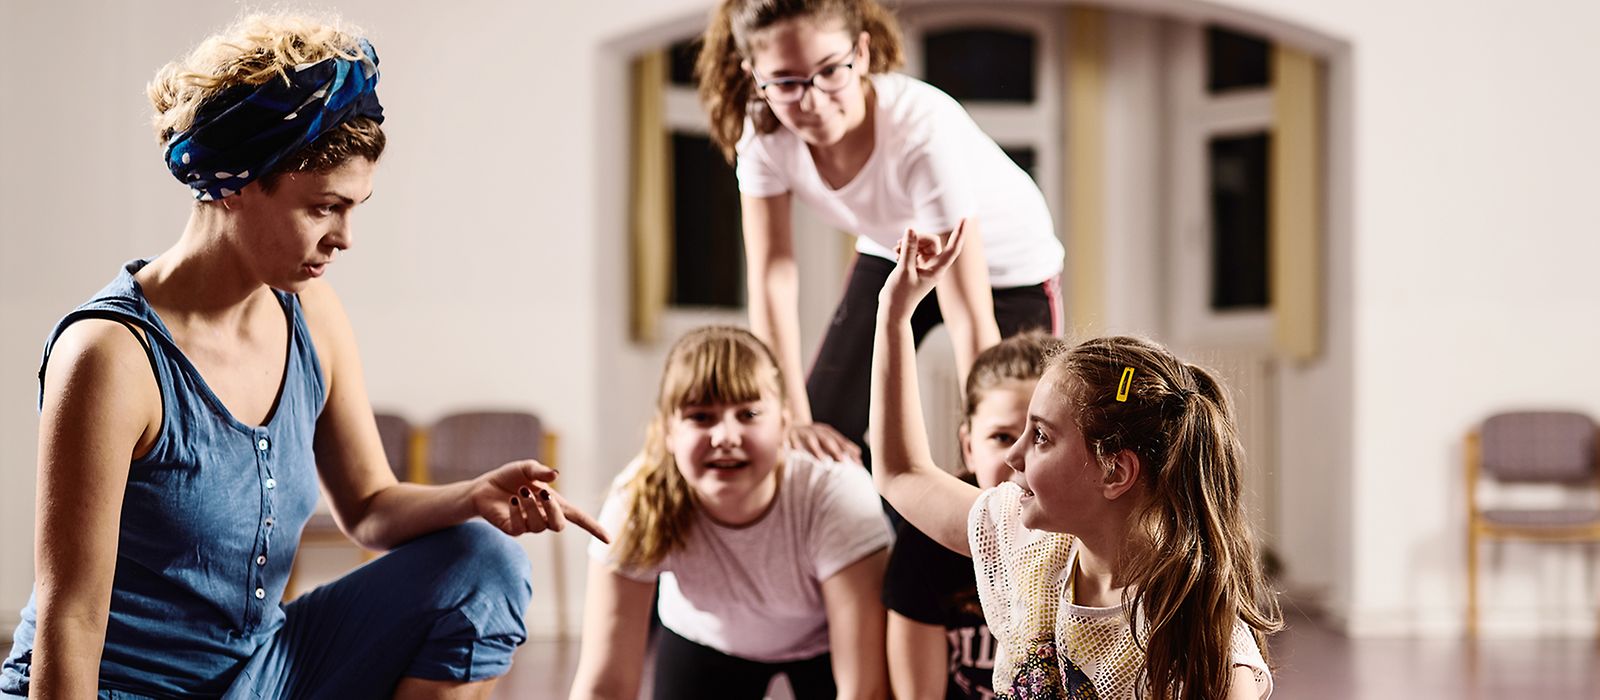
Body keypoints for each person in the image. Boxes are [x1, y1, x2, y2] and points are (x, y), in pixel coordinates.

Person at [0, 14, 606, 699]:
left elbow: (370, 507)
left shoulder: (312, 315)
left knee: (482, 564)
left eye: (355, 209)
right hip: (126, 688)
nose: (344, 238)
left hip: (259, 675)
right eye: (323, 208)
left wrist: (473, 497)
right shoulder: (109, 356)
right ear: (234, 183)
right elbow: (70, 617)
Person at [868, 223, 1282, 699]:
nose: (1013, 455)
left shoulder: (1209, 658)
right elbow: (900, 473)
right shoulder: (1031, 544)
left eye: (1041, 436)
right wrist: (895, 314)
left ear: (1115, 471)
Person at [697, 0, 1065, 464]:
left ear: (862, 53)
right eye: (786, 82)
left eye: (831, 70)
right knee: (820, 431)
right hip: (894, 249)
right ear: (755, 75)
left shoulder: (920, 132)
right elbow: (773, 275)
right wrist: (790, 412)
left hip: (1009, 270)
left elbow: (968, 314)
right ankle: (889, 529)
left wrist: (987, 441)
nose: (812, 100)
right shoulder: (764, 137)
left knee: (1010, 443)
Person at [568, 326, 891, 700]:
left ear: (785, 424)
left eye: (749, 414)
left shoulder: (834, 491)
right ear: (668, 432)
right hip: (705, 639)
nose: (725, 437)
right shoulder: (636, 502)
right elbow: (604, 686)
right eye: (701, 417)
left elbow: (865, 690)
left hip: (823, 642)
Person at [881, 331, 1063, 700]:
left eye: (1041, 437)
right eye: (1001, 437)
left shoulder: (1088, 535)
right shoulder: (925, 540)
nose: (1019, 457)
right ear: (968, 446)